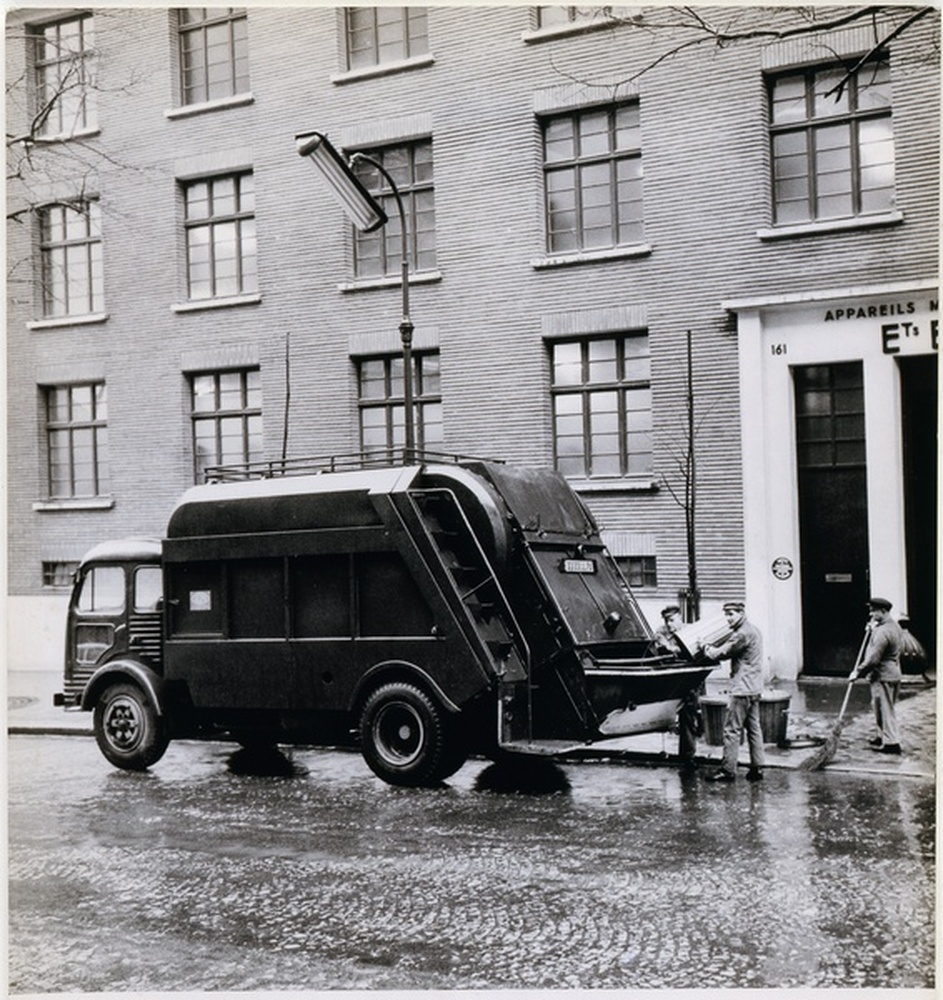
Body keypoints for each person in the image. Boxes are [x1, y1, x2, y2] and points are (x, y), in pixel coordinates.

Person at [702, 601, 765, 783]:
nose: (728, 618)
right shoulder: (754, 630)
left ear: (741, 613)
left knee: (731, 730)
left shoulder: (741, 634)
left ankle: (727, 770)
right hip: (754, 687)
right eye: (726, 614)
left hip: (741, 689)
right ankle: (757, 767)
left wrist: (705, 646)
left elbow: (721, 653)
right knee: (754, 728)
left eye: (731, 614)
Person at [850, 597, 903, 754]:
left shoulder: (883, 632)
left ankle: (892, 743)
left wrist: (858, 672)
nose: (871, 614)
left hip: (883, 676)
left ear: (884, 611)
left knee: (885, 710)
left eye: (874, 611)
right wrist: (873, 629)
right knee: (880, 708)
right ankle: (882, 736)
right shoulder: (894, 626)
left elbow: (873, 659)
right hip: (892, 673)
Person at [654, 605, 702, 773]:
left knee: (689, 716)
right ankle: (686, 755)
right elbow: (667, 648)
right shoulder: (661, 632)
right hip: (672, 680)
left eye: (672, 620)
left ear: (680, 617)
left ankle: (688, 757)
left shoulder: (690, 630)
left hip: (690, 680)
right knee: (675, 716)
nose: (669, 624)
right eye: (666, 621)